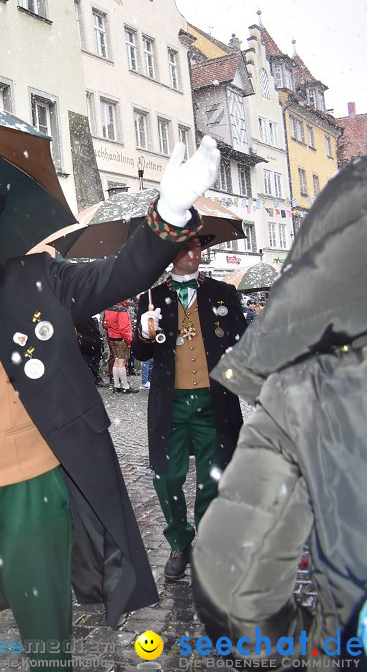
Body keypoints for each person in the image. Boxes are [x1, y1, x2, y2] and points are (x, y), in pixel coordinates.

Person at [0, 137, 219, 670]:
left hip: (30, 496)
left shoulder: (34, 280)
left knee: (48, 650)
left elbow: (116, 274)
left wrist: (167, 213)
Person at [191, 158, 367, 667]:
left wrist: (321, 643)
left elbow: (232, 588)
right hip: (179, 405)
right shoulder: (158, 297)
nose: (193, 256)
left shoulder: (224, 297)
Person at [132, 235, 248, 582]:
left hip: (216, 400)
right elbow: (141, 355)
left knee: (213, 476)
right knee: (166, 476)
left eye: (199, 247)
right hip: (172, 403)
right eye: (187, 247)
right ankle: (180, 541)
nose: (195, 253)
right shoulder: (151, 299)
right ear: (171, 254)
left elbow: (244, 342)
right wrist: (143, 335)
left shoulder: (222, 293)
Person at [103, 300, 138, 393]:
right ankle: (125, 386)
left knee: (116, 361)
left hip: (112, 337)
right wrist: (130, 341)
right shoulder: (122, 311)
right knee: (122, 363)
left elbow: (105, 324)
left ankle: (116, 385)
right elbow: (124, 329)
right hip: (121, 339)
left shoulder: (108, 308)